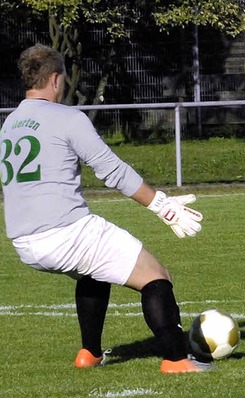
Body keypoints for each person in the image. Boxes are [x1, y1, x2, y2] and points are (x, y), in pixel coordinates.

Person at [0, 44, 209, 373]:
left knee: (94, 271)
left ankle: (90, 354)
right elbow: (112, 170)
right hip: (65, 232)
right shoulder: (68, 117)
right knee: (155, 275)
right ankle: (176, 360)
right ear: (55, 79)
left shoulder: (10, 124)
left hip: (24, 242)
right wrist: (162, 206)